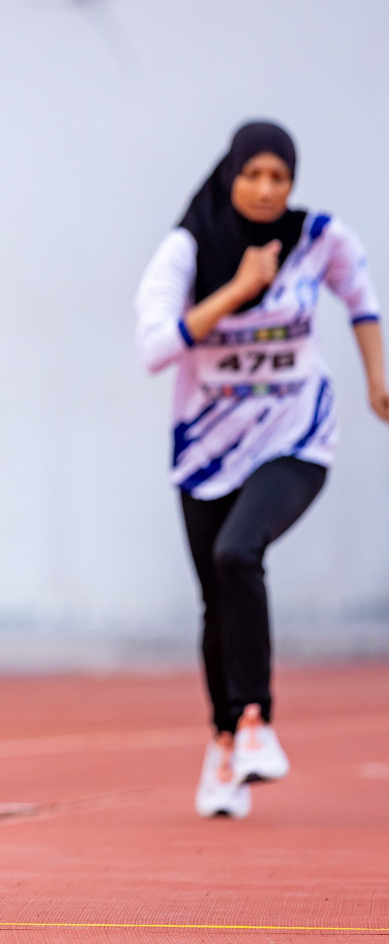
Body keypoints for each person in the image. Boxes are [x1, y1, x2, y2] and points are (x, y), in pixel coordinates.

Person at [135, 120, 388, 820]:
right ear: (230, 175)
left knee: (238, 553)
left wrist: (376, 378)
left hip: (296, 435)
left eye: (281, 177)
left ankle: (256, 722)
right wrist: (237, 291)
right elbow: (155, 347)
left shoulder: (319, 238)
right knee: (218, 597)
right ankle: (224, 741)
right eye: (255, 175)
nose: (268, 189)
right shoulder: (187, 248)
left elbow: (361, 299)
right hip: (205, 450)